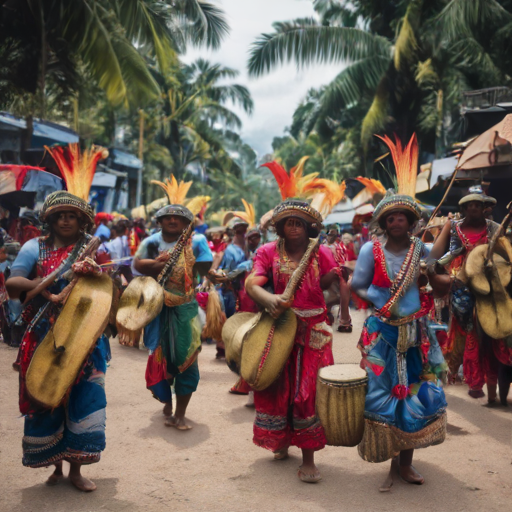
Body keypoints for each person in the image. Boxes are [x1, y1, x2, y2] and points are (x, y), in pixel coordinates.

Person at [6, 190, 110, 492]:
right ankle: (55, 465)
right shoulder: (33, 247)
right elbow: (13, 284)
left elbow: (114, 285)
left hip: (85, 338)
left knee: (82, 399)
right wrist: (39, 284)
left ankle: (76, 470)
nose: (66, 220)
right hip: (43, 335)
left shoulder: (92, 250)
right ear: (49, 220)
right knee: (46, 396)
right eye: (60, 215)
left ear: (82, 221)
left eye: (72, 216)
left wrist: (97, 273)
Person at [351, 193, 448, 489]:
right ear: (383, 222)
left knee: (414, 395)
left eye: (402, 217)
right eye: (390, 218)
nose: (396, 222)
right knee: (382, 394)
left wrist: (448, 227)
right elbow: (357, 285)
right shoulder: (370, 249)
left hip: (416, 334)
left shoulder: (422, 249)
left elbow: (439, 263)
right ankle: (387, 451)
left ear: (411, 222)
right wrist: (380, 300)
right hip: (382, 334)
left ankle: (405, 462)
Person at [245, 200, 338, 483]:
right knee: (277, 387)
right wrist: (270, 300)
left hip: (313, 334)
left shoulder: (322, 252)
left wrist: (326, 306)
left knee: (307, 394)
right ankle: (280, 441)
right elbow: (253, 282)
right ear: (280, 227)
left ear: (309, 227)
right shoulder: (268, 251)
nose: (294, 227)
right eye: (289, 222)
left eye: (299, 222)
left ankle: (308, 458)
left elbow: (333, 289)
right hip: (279, 329)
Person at [134, 205, 201, 430]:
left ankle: (180, 414)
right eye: (168, 217)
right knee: (164, 361)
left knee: (188, 361)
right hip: (158, 308)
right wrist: (159, 263)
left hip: (186, 310)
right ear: (159, 221)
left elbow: (206, 267)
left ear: (186, 224)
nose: (173, 220)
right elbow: (138, 264)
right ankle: (168, 401)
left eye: (178, 218)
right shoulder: (151, 242)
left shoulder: (197, 243)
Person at [428, 193, 502, 400]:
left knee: (487, 333)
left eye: (479, 205)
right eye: (470, 205)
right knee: (465, 329)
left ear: (485, 207)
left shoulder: (495, 228)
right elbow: (436, 253)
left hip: (488, 285)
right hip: (459, 284)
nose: (475, 209)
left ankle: (482, 381)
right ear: (464, 208)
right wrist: (430, 269)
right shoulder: (453, 227)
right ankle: (459, 374)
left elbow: (505, 254)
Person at [323, 226, 352, 332]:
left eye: (334, 234)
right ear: (326, 235)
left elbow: (345, 262)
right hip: (324, 274)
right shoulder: (321, 247)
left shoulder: (341, 247)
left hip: (339, 274)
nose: (332, 236)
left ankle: (344, 321)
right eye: (330, 234)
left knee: (345, 287)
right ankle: (325, 316)